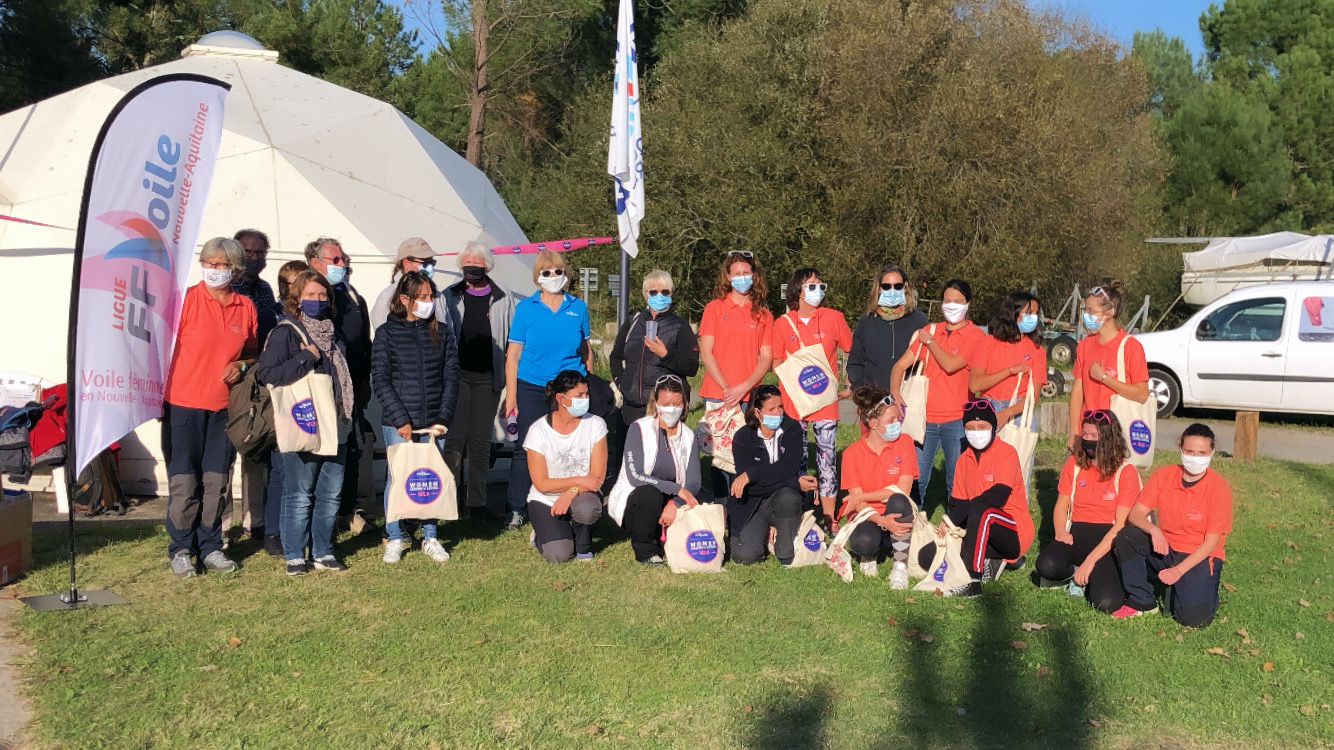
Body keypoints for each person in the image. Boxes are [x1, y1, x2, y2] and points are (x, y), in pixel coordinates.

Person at [161, 238, 258, 578]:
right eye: (209, 263)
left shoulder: (245, 307)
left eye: (222, 265)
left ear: (236, 270)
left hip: (224, 410)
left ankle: (211, 546)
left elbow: (252, 353)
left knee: (217, 481)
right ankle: (181, 548)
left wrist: (241, 365)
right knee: (184, 482)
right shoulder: (183, 300)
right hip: (182, 405)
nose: (215, 270)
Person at [255, 270, 355, 575]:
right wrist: (306, 357)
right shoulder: (286, 332)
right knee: (299, 493)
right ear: (296, 297)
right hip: (306, 421)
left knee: (330, 493)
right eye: (310, 294)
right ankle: (295, 555)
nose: (318, 300)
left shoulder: (333, 333)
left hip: (336, 423)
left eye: (323, 295)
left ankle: (323, 551)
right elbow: (268, 374)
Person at [372, 271, 460, 563]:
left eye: (430, 296)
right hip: (399, 422)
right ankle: (395, 536)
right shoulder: (386, 333)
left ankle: (430, 535)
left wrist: (443, 417)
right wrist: (400, 419)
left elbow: (451, 377)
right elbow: (381, 379)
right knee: (398, 478)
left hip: (434, 421)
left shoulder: (443, 333)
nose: (428, 302)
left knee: (430, 477)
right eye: (422, 297)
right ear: (404, 299)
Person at [504, 249, 593, 531]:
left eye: (558, 271)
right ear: (537, 276)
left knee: (572, 445)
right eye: (547, 272)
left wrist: (587, 385)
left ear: (565, 274)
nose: (553, 276)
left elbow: (585, 349)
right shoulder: (525, 308)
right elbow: (513, 354)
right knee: (526, 448)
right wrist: (511, 396)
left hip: (568, 387)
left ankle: (572, 501)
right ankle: (517, 508)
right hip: (531, 385)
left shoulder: (578, 307)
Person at [1113, 424, 1232, 626]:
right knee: (1127, 535)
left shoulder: (1219, 487)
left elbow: (1211, 542)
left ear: (1212, 453)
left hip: (1200, 554)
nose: (1195, 458)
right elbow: (1136, 514)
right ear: (1181, 449)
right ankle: (1142, 600)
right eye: (1189, 451)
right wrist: (1154, 530)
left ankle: (1194, 588)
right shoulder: (1164, 475)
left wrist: (1179, 570)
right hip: (1166, 547)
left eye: (1202, 453)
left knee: (1194, 619)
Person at [890, 279, 987, 508]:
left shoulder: (975, 336)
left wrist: (931, 342)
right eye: (947, 300)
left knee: (957, 481)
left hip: (958, 420)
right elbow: (899, 366)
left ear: (968, 304)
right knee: (917, 479)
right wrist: (895, 393)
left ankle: (957, 525)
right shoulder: (930, 331)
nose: (951, 306)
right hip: (924, 419)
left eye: (958, 301)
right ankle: (911, 523)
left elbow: (951, 365)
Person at [303, 237, 376, 535]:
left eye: (343, 258)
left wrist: (365, 380)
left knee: (352, 447)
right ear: (315, 263)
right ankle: (319, 516)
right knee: (321, 450)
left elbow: (364, 341)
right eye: (335, 260)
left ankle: (348, 511)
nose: (342, 264)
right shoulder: (310, 297)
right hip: (320, 387)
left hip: (353, 386)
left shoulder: (352, 295)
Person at [1034, 409, 1140, 612]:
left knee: (1106, 602)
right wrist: (1060, 531)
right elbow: (1062, 504)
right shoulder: (1073, 464)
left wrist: (1091, 561)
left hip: (1108, 541)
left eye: (1094, 435)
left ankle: (1090, 574)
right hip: (1076, 533)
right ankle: (1074, 572)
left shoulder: (1125, 472)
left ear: (1109, 437)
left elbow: (1120, 525)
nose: (1088, 440)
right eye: (1085, 434)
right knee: (1045, 565)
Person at [772, 267, 852, 527]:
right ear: (798, 290)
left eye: (821, 285)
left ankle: (829, 518)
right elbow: (775, 362)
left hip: (825, 403)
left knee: (827, 461)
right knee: (796, 459)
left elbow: (852, 351)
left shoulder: (834, 318)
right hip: (794, 403)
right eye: (811, 285)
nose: (818, 289)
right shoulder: (782, 323)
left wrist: (850, 383)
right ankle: (798, 513)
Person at [441, 241, 514, 517]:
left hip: (488, 377)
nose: (471, 268)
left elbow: (513, 341)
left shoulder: (503, 296)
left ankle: (477, 503)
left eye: (477, 264)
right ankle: (446, 502)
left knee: (481, 443)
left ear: (487, 266)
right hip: (457, 376)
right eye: (467, 264)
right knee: (454, 440)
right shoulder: (449, 295)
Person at [936, 400, 1033, 597]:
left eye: (982, 426)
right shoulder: (963, 460)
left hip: (1012, 530)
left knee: (982, 508)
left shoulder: (1006, 453)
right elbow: (957, 503)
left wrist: (954, 517)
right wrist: (950, 524)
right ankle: (992, 561)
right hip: (979, 529)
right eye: (970, 428)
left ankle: (972, 581)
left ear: (993, 427)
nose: (976, 432)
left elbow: (997, 496)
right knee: (932, 553)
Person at [698, 251, 774, 497]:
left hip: (749, 395)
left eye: (746, 273)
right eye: (737, 273)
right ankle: (722, 505)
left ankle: (744, 502)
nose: (742, 278)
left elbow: (766, 357)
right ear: (728, 277)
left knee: (746, 452)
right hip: (717, 392)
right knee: (719, 454)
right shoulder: (714, 308)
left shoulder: (763, 314)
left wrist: (744, 387)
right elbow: (706, 351)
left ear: (754, 275)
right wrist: (726, 388)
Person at [608, 375, 702, 565]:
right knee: (649, 494)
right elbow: (636, 476)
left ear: (684, 404)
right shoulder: (638, 429)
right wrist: (676, 489)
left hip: (672, 500)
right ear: (655, 403)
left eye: (676, 404)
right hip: (639, 499)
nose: (671, 409)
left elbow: (694, 482)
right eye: (665, 404)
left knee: (699, 499)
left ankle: (668, 536)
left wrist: (674, 503)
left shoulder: (689, 436)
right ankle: (646, 551)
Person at [223, 228, 277, 548]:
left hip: (259, 378)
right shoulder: (228, 287)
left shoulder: (266, 289)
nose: (254, 258)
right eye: (248, 252)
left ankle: (254, 520)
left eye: (260, 253)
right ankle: (221, 525)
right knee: (225, 454)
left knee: (254, 447)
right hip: (229, 378)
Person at [727, 384, 818, 565]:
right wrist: (794, 482)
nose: (778, 413)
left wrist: (753, 474)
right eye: (771, 409)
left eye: (780, 407)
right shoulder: (743, 437)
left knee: (789, 498)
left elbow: (789, 467)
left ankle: (785, 551)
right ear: (756, 412)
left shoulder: (793, 429)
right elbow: (752, 489)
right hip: (752, 502)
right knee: (745, 557)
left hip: (783, 498)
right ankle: (765, 533)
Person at [523, 370, 607, 563]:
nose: (586, 399)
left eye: (587, 394)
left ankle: (583, 547)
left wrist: (572, 492)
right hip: (545, 499)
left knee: (587, 507)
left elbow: (596, 478)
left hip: (583, 494)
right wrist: (579, 480)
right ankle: (541, 533)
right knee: (558, 555)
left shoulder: (596, 424)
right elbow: (541, 483)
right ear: (561, 399)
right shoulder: (537, 431)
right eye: (579, 395)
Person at [839, 387, 918, 588]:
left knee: (899, 500)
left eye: (898, 418)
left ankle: (900, 566)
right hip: (868, 514)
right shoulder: (851, 454)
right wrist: (881, 520)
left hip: (896, 509)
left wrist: (861, 496)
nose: (898, 423)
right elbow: (858, 504)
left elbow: (903, 489)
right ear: (874, 423)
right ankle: (869, 555)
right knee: (863, 542)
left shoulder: (905, 442)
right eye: (891, 420)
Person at [260, 261, 310, 558]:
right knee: (281, 470)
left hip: (308, 402)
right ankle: (273, 531)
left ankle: (297, 528)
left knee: (299, 470)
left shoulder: (314, 317)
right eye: (290, 282)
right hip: (282, 400)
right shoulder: (275, 318)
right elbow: (268, 368)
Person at [970, 290, 1047, 483]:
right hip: (988, 408)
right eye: (1028, 313)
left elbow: (1033, 397)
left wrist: (1007, 413)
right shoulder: (988, 343)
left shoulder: (1037, 350)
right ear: (1012, 312)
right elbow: (975, 384)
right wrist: (1009, 371)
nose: (1033, 318)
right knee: (985, 475)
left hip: (1020, 413)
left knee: (1017, 476)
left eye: (1035, 314)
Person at [1067, 281, 1149, 454]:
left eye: (1091, 311)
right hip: (1087, 431)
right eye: (1085, 310)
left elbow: (1141, 394)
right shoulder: (1084, 346)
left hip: (1114, 433)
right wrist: (1074, 430)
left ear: (1110, 312)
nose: (1086, 316)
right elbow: (1077, 392)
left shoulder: (1131, 347)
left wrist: (1104, 378)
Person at [610, 269, 700, 425]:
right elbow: (616, 356)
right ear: (645, 295)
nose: (659, 296)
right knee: (632, 441)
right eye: (653, 292)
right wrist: (621, 382)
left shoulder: (680, 326)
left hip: (665, 407)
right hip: (632, 407)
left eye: (665, 292)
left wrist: (666, 355)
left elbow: (691, 367)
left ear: (671, 294)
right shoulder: (633, 322)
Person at [846, 263, 928, 392]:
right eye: (886, 286)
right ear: (879, 288)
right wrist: (860, 388)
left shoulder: (919, 320)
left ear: (905, 287)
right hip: (874, 395)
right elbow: (856, 362)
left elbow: (927, 360)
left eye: (898, 286)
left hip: (909, 395)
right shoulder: (867, 321)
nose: (892, 290)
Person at [369, 237, 448, 330]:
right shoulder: (388, 296)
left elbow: (449, 331)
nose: (430, 267)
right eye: (425, 263)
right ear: (406, 264)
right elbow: (381, 330)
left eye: (432, 262)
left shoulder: (438, 297)